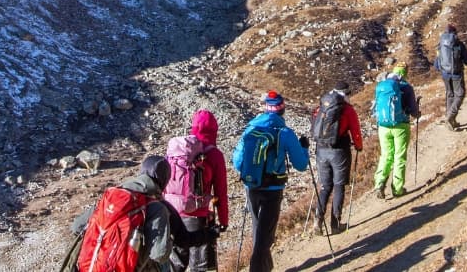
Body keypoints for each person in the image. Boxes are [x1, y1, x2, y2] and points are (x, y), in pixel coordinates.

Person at [60, 155, 219, 272]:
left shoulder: (111, 196)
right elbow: (160, 254)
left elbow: (77, 227)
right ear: (163, 180)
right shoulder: (158, 208)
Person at [231, 92, 310, 272]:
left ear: (265, 108)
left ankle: (266, 266)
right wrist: (304, 148)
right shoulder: (285, 133)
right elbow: (301, 165)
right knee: (265, 236)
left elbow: (237, 161)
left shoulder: (251, 129)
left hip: (251, 186)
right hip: (273, 189)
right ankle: (258, 268)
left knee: (259, 230)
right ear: (282, 110)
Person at [165, 110, 230, 271]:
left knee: (175, 262)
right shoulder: (214, 155)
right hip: (197, 215)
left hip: (173, 212)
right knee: (199, 264)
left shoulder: (181, 150)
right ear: (214, 131)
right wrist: (223, 221)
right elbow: (221, 192)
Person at [306, 89, 363, 235]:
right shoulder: (347, 109)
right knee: (339, 186)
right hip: (340, 151)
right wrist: (358, 145)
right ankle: (335, 224)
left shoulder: (322, 107)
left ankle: (317, 221)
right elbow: (355, 130)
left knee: (325, 186)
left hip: (321, 150)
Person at [372, 66, 420, 199]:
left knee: (386, 155)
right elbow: (413, 110)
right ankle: (397, 189)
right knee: (399, 156)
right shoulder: (406, 87)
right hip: (401, 126)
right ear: (405, 73)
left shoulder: (383, 86)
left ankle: (379, 183)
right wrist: (417, 113)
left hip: (383, 127)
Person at [436, 25, 467, 130]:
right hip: (456, 73)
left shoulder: (441, 44)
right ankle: (450, 116)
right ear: (455, 33)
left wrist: (443, 70)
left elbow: (436, 63)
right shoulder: (459, 44)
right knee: (460, 94)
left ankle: (451, 121)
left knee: (450, 94)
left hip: (445, 74)